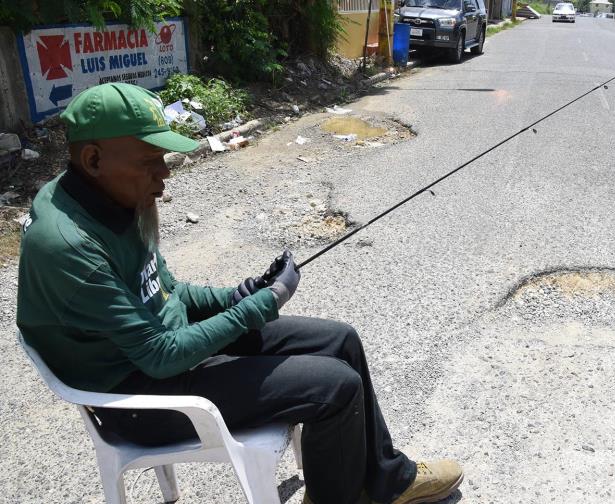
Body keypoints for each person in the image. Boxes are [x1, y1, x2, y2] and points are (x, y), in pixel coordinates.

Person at [16, 82, 463, 504]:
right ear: (94, 159)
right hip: (137, 398)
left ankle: (387, 478)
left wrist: (237, 295)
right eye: (151, 160)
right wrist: (261, 306)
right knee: (336, 388)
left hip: (165, 355)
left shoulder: (111, 195)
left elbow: (168, 291)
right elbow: (161, 356)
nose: (164, 176)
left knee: (340, 339)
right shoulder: (69, 245)